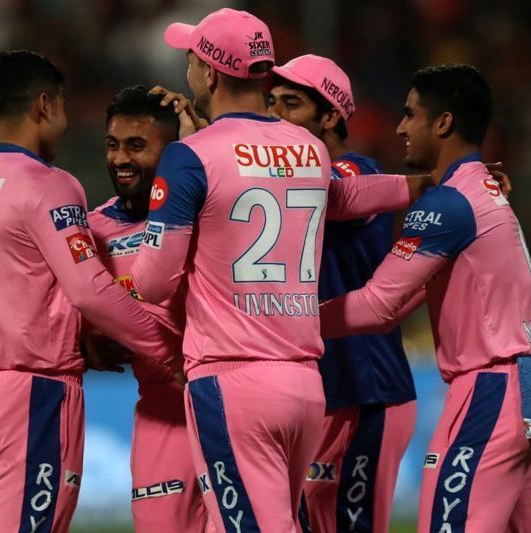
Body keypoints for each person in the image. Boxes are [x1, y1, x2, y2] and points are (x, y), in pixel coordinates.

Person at [130, 8, 428, 532]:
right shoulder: (310, 150)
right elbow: (346, 197)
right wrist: (422, 184)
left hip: (230, 380)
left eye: (190, 60)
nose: (187, 71)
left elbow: (154, 282)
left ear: (212, 73)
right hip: (305, 386)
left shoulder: (188, 157)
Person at [320, 64, 531, 533]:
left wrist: (292, 319)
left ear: (443, 123)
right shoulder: (484, 192)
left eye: (411, 115)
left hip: (491, 391)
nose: (400, 128)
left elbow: (378, 305)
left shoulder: (445, 206)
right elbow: (414, 295)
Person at [0, 50, 178, 533]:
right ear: (44, 105)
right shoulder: (49, 183)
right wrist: (166, 350)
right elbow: (90, 290)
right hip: (36, 393)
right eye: (65, 108)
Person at [268, 55, 417, 533]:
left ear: (331, 116)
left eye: (290, 104)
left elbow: (323, 193)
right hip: (320, 390)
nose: (275, 117)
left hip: (368, 391)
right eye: (270, 104)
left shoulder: (358, 169)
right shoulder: (271, 182)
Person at [85, 85, 210, 532]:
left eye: (137, 146)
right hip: (159, 408)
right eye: (113, 144)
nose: (120, 159)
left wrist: (203, 140)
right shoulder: (93, 228)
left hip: (225, 392)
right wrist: (86, 341)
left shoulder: (208, 211)